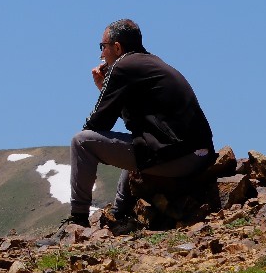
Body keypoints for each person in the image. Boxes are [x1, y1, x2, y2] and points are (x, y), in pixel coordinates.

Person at [64, 19, 215, 226]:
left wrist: (106, 87)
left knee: (81, 142)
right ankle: (119, 214)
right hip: (198, 155)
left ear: (117, 47)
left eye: (103, 47)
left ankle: (78, 220)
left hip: (179, 159)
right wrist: (107, 90)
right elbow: (138, 124)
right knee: (140, 143)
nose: (101, 55)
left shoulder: (122, 65)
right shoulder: (151, 62)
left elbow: (97, 124)